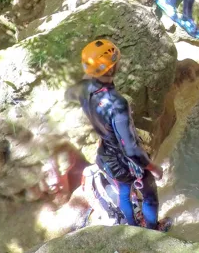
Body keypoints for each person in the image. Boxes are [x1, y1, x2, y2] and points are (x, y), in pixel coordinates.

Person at [65, 39, 165, 229]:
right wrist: (153, 168)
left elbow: (69, 95)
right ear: (111, 68)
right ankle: (152, 232)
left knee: (123, 192)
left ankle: (132, 227)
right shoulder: (117, 104)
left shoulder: (82, 88)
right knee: (150, 196)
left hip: (106, 156)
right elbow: (130, 148)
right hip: (125, 162)